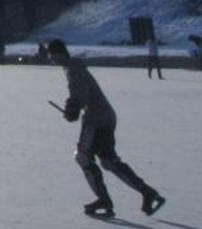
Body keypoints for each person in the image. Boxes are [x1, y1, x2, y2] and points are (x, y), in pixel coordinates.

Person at [48, 38, 164, 218]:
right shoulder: (75, 66)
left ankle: (104, 200)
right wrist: (74, 107)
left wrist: (73, 108)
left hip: (95, 119)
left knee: (83, 157)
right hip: (106, 117)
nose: (51, 59)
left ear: (60, 53)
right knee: (109, 161)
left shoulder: (73, 69)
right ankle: (148, 192)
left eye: (52, 55)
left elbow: (80, 92)